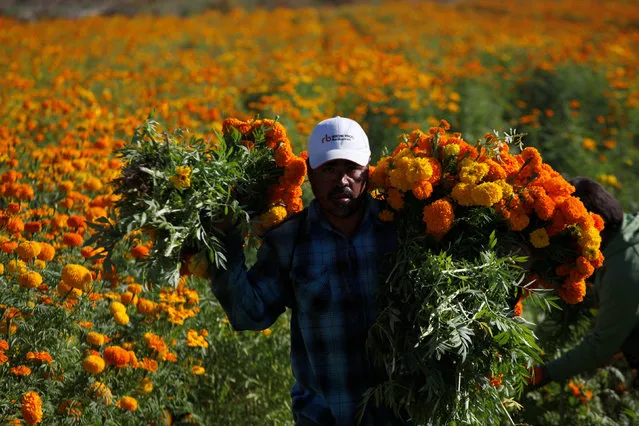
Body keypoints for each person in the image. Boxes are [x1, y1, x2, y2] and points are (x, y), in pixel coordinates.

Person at [210, 116, 401, 425]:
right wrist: (225, 241)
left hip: (401, 416)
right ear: (310, 172)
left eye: (351, 169)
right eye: (329, 169)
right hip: (323, 416)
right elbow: (250, 314)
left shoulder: (401, 231)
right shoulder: (289, 241)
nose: (341, 181)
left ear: (368, 170)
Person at [530, 176, 639, 388]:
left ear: (591, 230)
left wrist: (543, 374)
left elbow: (601, 346)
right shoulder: (630, 229)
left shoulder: (623, 272)